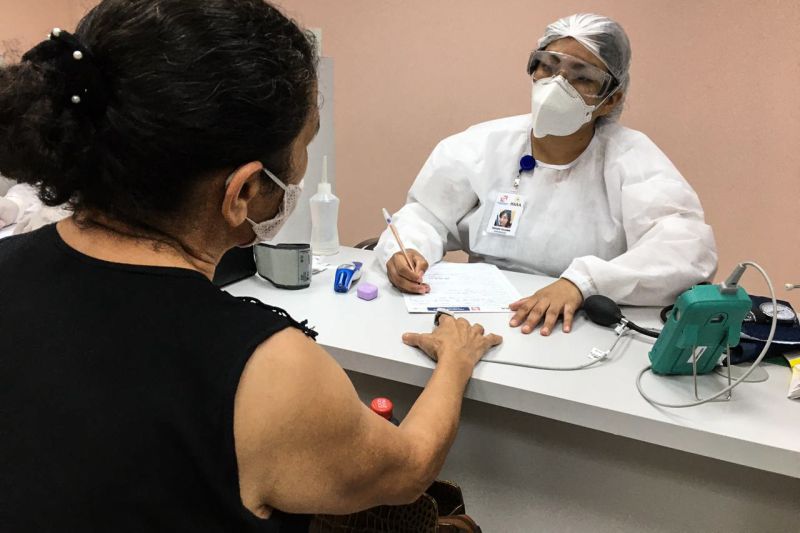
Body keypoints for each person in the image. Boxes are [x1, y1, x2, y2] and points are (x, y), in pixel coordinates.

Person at [0, 1, 502, 531]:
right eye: (305, 144)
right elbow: (407, 471)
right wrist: (455, 361)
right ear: (243, 193)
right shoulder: (268, 373)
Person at [378, 13, 717, 336]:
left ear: (611, 99)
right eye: (548, 66)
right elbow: (425, 214)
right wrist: (406, 249)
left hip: (581, 326)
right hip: (482, 319)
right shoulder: (483, 144)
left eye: (582, 76)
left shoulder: (631, 159)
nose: (558, 85)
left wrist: (583, 283)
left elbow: (686, 249)